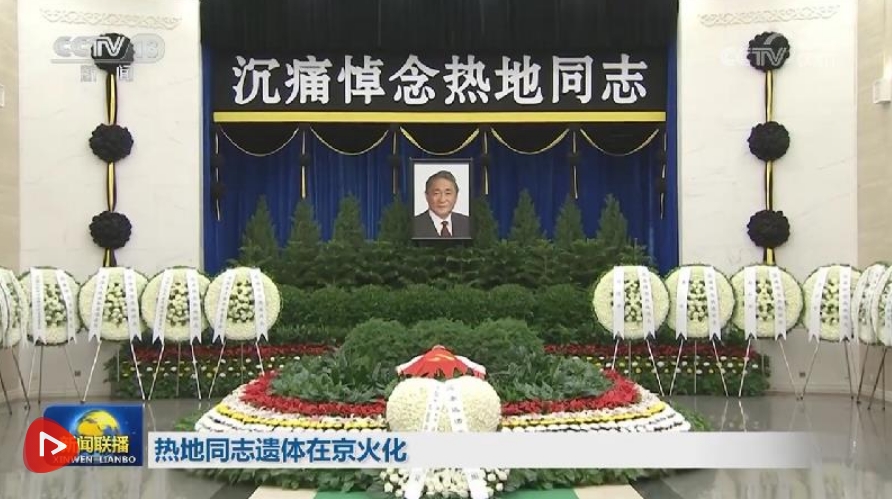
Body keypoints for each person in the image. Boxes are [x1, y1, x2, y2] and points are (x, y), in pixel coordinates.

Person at [412, 170, 470, 238]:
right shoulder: (413, 226)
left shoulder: (469, 223)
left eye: (448, 193)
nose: (442, 200)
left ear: (456, 196)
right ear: (427, 196)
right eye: (436, 193)